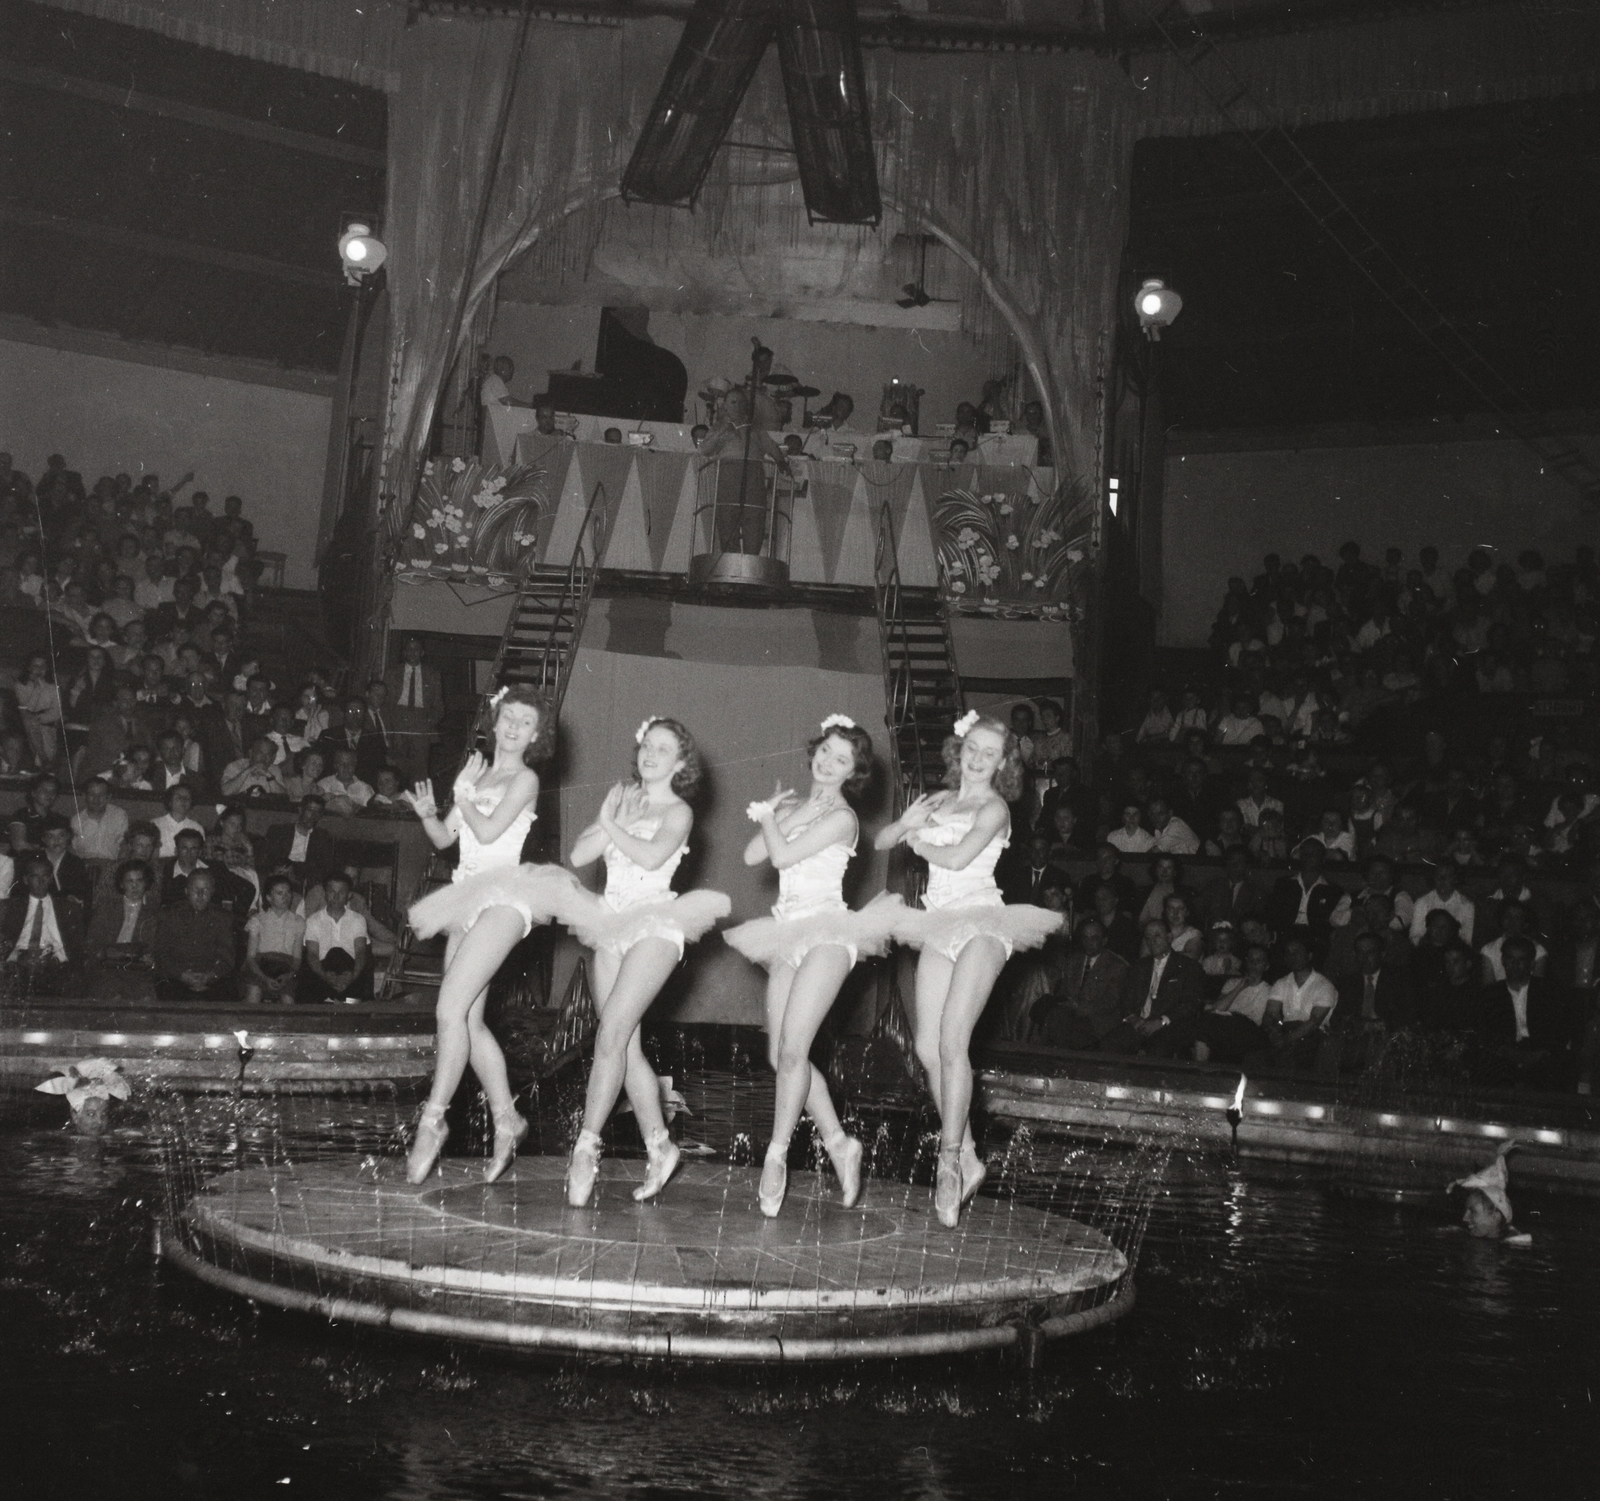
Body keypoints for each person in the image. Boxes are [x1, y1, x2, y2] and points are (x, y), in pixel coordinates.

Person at [875, 711, 1061, 1226]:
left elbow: (955, 860)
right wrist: (905, 825)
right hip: (940, 924)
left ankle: (950, 1161)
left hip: (982, 923)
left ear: (1003, 763)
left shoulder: (996, 807)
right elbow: (881, 841)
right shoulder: (939, 800)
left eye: (989, 753)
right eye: (972, 749)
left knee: (954, 1041)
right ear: (959, 751)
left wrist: (917, 839)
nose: (978, 759)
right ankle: (973, 1154)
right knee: (925, 1048)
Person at [723, 715, 901, 1217]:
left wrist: (772, 818)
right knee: (782, 1058)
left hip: (827, 935)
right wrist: (782, 813)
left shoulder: (843, 818)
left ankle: (776, 1155)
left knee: (796, 1048)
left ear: (853, 772)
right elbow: (753, 853)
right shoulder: (805, 805)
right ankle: (840, 1143)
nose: (828, 761)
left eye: (841, 758)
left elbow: (777, 854)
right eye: (825, 751)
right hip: (787, 933)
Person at [401, 687, 571, 1185]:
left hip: (505, 897)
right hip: (465, 895)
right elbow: (447, 841)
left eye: (525, 722)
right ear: (494, 723)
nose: (514, 727)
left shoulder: (525, 778)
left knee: (447, 1010)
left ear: (536, 736)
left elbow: (493, 831)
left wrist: (465, 794)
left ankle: (433, 1121)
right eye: (508, 718)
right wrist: (431, 814)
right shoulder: (477, 773)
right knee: (468, 1023)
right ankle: (507, 1118)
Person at [561, 717, 731, 1207]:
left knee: (609, 1032)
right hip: (611, 920)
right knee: (625, 1047)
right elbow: (579, 854)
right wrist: (609, 814)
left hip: (656, 923)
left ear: (680, 763)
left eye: (664, 749)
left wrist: (614, 822)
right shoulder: (623, 795)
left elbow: (655, 858)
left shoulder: (679, 812)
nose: (651, 754)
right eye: (647, 746)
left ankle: (586, 1147)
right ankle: (660, 1145)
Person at [2, 854, 86, 995]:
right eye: (35, 876)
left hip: (56, 966)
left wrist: (55, 959)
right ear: (26, 880)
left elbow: (78, 946)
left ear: (51, 878)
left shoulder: (68, 908)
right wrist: (18, 956)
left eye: (45, 876)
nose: (41, 881)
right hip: (19, 964)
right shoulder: (9, 908)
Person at [153, 868, 236, 1001]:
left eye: (205, 890)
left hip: (211, 979)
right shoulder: (169, 915)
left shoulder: (223, 918)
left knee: (227, 994)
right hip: (176, 978)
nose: (200, 894)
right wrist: (182, 975)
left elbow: (227, 957)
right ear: (186, 891)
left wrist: (209, 976)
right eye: (195, 890)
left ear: (212, 892)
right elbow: (161, 953)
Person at [298, 873, 371, 1004]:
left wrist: (351, 976)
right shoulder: (313, 920)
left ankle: (349, 1004)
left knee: (340, 954)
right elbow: (312, 954)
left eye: (341, 892)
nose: (336, 896)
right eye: (331, 891)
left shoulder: (358, 919)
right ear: (325, 894)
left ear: (349, 895)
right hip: (323, 972)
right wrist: (325, 976)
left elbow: (360, 951)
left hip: (351, 972)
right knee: (330, 956)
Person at [384, 636, 443, 783]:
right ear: (404, 652)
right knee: (397, 766)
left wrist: (429, 722)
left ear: (422, 652)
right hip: (397, 719)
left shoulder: (432, 674)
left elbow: (439, 705)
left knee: (419, 769)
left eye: (416, 649)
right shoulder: (392, 673)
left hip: (421, 722)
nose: (413, 652)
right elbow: (386, 702)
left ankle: (415, 803)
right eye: (409, 649)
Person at [242, 872, 305, 1004]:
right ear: (269, 898)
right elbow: (251, 957)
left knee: (288, 1000)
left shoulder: (298, 921)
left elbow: (297, 959)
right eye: (279, 893)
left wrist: (288, 976)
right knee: (254, 993)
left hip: (286, 968)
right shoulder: (258, 920)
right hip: (260, 967)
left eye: (288, 892)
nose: (286, 897)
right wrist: (264, 978)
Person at [86, 860, 159, 968]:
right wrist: (105, 953)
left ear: (146, 883)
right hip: (108, 964)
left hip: (139, 967)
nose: (135, 886)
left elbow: (161, 946)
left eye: (139, 881)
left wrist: (152, 957)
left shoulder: (155, 911)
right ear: (121, 884)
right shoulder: (106, 908)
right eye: (129, 881)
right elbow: (91, 941)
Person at [259, 794, 337, 887]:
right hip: (279, 877)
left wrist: (296, 871)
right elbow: (267, 859)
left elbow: (325, 868)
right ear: (300, 810)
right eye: (310, 810)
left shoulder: (323, 837)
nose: (313, 816)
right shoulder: (279, 831)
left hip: (304, 881)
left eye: (318, 812)